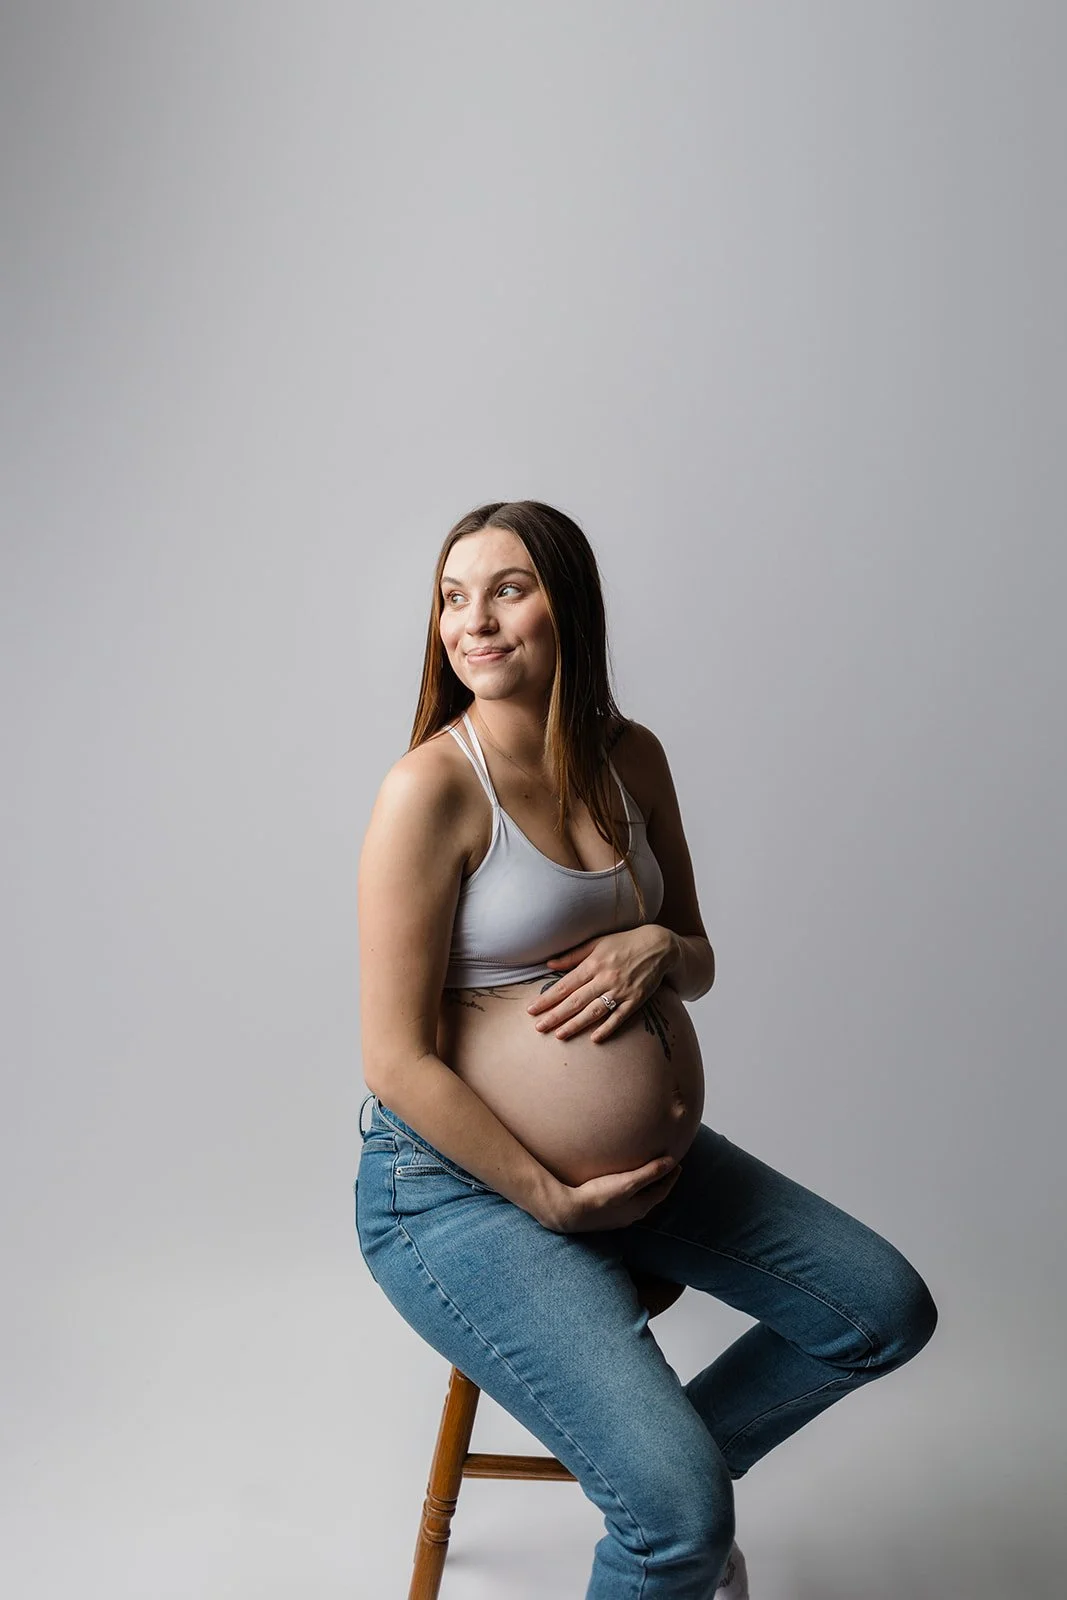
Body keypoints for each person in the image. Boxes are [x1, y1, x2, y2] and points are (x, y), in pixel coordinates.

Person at [354, 500, 937, 1599]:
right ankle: (670, 1512)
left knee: (880, 1308)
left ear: (567, 602)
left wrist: (656, 944)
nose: (472, 621)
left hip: (647, 1173)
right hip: (457, 1192)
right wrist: (544, 1193)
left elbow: (701, 957)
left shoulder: (630, 757)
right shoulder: (430, 790)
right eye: (451, 596)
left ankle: (666, 1489)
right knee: (675, 1517)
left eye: (507, 588)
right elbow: (394, 1060)